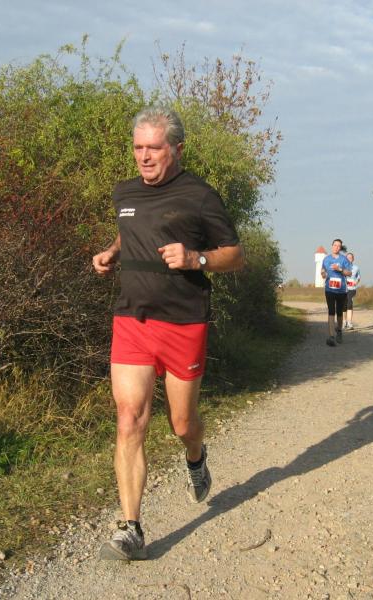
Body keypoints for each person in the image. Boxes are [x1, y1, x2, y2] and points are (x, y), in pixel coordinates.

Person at [92, 106, 244, 560]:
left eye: (153, 148)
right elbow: (130, 229)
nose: (144, 156)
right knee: (129, 418)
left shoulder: (200, 196)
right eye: (138, 147)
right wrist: (113, 251)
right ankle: (130, 528)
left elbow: (234, 255)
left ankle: (195, 456)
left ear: (177, 149)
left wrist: (197, 259)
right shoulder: (124, 192)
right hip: (132, 320)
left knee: (182, 423)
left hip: (184, 322)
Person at [320, 239, 352, 346]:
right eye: (335, 245)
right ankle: (331, 336)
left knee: (339, 312)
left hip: (341, 290)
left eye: (339, 246)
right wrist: (323, 274)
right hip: (329, 289)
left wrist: (340, 269)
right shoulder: (326, 259)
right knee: (331, 311)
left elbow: (349, 273)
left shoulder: (344, 259)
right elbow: (323, 272)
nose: (336, 247)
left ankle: (339, 331)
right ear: (332, 246)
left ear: (340, 248)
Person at [344, 252, 361, 329]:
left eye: (350, 258)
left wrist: (356, 282)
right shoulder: (342, 267)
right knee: (344, 305)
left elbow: (358, 277)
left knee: (350, 304)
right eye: (348, 258)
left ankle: (349, 322)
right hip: (343, 289)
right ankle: (344, 322)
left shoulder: (356, 268)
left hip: (352, 289)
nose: (349, 259)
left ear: (353, 259)